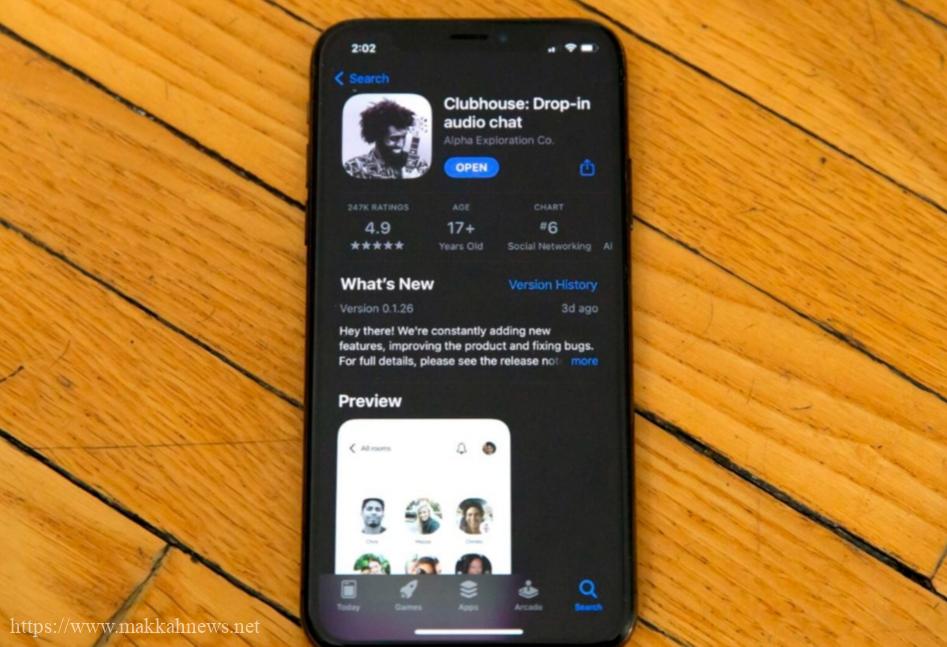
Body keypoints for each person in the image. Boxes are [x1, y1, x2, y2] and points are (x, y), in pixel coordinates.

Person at [344, 99, 429, 179]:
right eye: (394, 138)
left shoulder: (419, 164)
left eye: (404, 137)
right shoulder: (353, 167)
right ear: (378, 136)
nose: (401, 144)